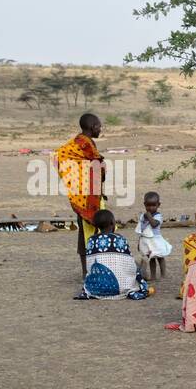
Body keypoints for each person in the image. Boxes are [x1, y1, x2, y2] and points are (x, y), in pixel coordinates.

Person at [55, 113, 106, 277]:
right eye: (99, 126)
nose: (100, 129)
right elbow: (98, 167)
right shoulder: (86, 144)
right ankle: (96, 268)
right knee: (96, 229)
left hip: (81, 197)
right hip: (87, 197)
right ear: (92, 127)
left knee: (84, 232)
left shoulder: (78, 142)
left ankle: (86, 270)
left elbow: (60, 157)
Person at [74, 209, 153, 300]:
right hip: (122, 288)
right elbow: (129, 263)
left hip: (95, 289)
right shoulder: (119, 239)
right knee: (135, 267)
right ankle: (142, 267)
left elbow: (89, 264)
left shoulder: (91, 240)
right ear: (112, 223)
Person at [134, 191, 172, 282]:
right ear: (144, 204)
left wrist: (150, 217)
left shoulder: (158, 215)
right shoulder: (143, 216)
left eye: (153, 205)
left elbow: (154, 224)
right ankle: (153, 276)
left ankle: (163, 274)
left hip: (156, 240)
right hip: (146, 240)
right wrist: (140, 242)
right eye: (148, 205)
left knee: (160, 257)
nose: (150, 208)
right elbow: (141, 229)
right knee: (151, 258)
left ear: (158, 205)